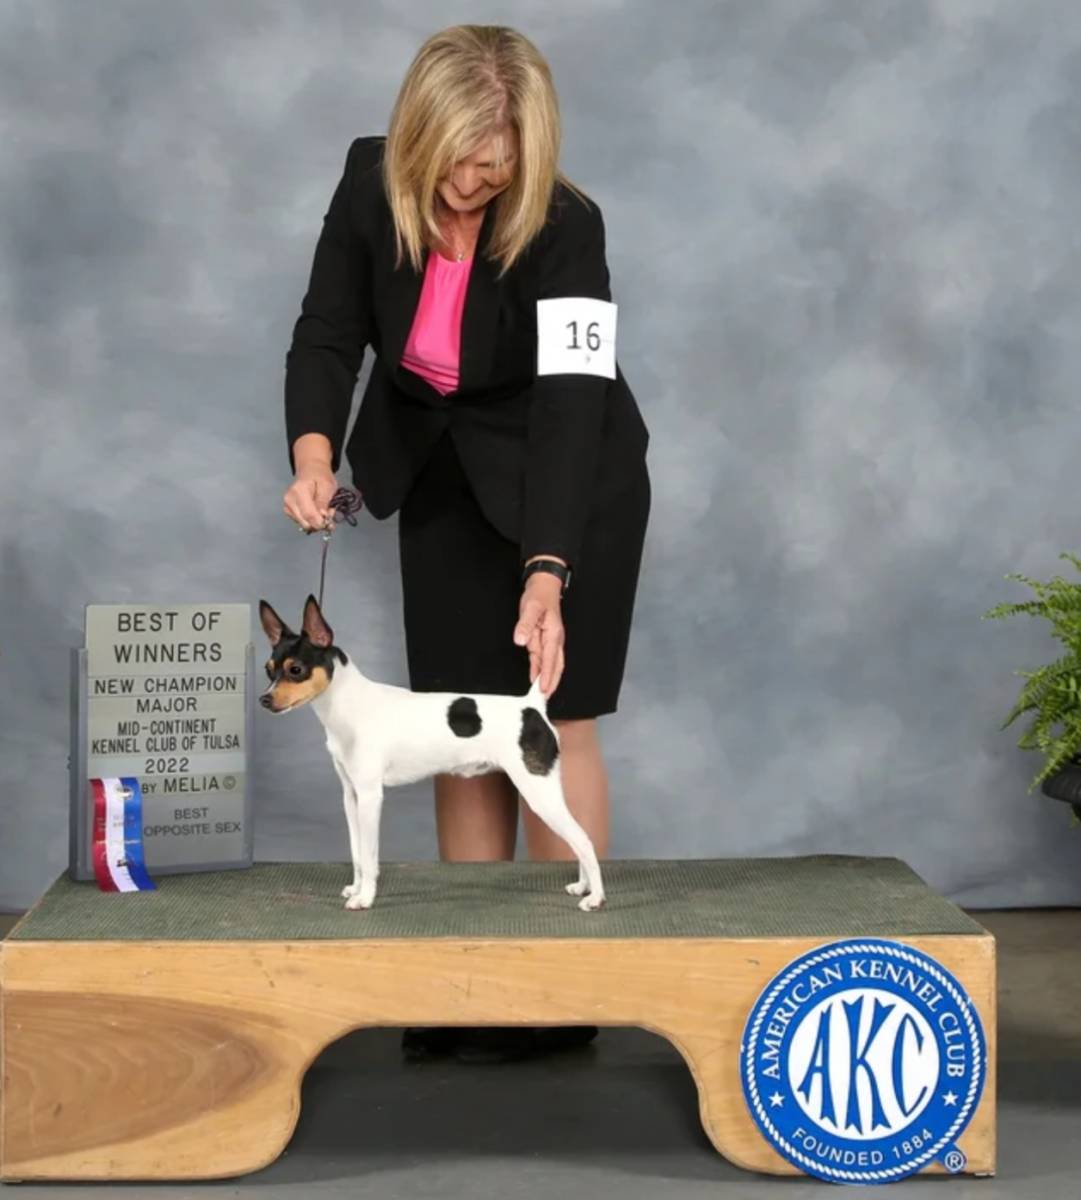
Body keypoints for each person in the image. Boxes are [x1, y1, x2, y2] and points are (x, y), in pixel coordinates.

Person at [280, 25, 651, 1062]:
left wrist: (548, 569)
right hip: (440, 473)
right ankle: (468, 980)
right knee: (458, 733)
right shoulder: (367, 184)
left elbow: (572, 403)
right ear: (415, 134)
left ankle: (560, 984)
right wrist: (313, 457)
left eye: (498, 166)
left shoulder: (568, 226)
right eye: (457, 160)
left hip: (572, 482)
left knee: (554, 716)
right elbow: (326, 332)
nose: (475, 183)